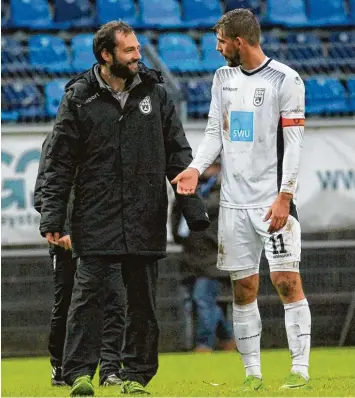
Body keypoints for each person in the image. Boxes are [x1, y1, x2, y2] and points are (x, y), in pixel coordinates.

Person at [39, 20, 209, 397]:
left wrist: (191, 206)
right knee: (87, 298)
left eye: (136, 49)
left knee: (143, 303)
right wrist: (52, 216)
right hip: (94, 216)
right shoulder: (78, 97)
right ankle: (80, 374)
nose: (137, 56)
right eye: (129, 51)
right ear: (106, 54)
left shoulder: (156, 93)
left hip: (144, 213)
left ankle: (135, 375)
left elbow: (177, 153)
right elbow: (59, 162)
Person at [172, 8, 311, 392]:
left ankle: (300, 369)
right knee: (242, 288)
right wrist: (196, 169)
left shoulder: (286, 79)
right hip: (233, 205)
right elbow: (216, 131)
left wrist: (286, 196)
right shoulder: (223, 78)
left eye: (220, 41)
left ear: (238, 41)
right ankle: (253, 374)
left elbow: (296, 144)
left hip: (273, 201)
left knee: (286, 281)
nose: (216, 49)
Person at [34, 139, 126, 388]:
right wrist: (61, 230)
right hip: (66, 241)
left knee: (115, 300)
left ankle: (110, 369)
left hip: (107, 236)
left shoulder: (108, 131)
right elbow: (44, 191)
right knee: (67, 303)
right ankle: (61, 366)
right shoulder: (57, 138)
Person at [171, 162, 235, 353]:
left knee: (203, 299)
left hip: (211, 258)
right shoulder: (190, 192)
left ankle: (204, 344)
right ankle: (227, 338)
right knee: (200, 301)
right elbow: (176, 221)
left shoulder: (222, 193)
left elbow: (205, 209)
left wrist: (187, 198)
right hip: (190, 258)